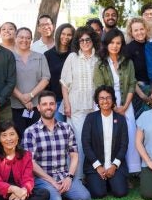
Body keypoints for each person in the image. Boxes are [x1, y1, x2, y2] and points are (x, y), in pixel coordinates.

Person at [25, 92, 92, 200]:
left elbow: (74, 155)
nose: (48, 107)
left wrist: (69, 177)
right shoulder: (30, 132)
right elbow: (31, 162)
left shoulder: (66, 128)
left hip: (64, 175)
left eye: (51, 104)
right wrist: (51, 181)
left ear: (56, 106)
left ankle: (62, 191)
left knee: (85, 198)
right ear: (39, 107)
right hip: (43, 178)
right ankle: (52, 193)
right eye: (44, 104)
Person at [93, 29, 142, 173]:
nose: (115, 46)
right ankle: (109, 169)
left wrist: (125, 106)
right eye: (112, 42)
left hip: (126, 102)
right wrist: (112, 108)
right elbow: (99, 87)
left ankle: (130, 171)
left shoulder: (128, 62)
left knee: (130, 135)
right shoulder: (100, 64)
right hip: (105, 104)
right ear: (106, 44)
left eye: (118, 43)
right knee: (110, 137)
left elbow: (132, 84)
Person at [61, 26, 100, 170]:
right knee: (78, 141)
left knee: (95, 141)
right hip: (76, 106)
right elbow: (64, 84)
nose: (85, 42)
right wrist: (66, 104)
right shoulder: (72, 57)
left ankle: (94, 174)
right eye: (81, 40)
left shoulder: (99, 58)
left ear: (93, 40)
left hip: (95, 106)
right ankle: (77, 175)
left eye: (87, 39)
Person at [82, 86, 130, 199]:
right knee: (98, 193)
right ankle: (102, 181)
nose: (105, 101)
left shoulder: (120, 119)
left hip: (115, 165)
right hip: (95, 166)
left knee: (120, 192)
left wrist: (114, 165)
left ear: (113, 99)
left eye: (108, 97)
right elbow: (86, 144)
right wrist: (98, 166)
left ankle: (111, 180)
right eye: (102, 98)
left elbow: (124, 145)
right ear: (97, 101)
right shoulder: (90, 118)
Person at [11, 27, 50, 137]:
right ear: (15, 38)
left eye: (28, 38)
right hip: (15, 106)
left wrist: (30, 95)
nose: (25, 40)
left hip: (36, 105)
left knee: (36, 136)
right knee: (18, 137)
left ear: (31, 40)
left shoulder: (40, 57)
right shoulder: (9, 57)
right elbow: (7, 80)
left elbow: (46, 78)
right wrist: (22, 98)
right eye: (21, 37)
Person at [123, 17, 152, 116]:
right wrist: (143, 96)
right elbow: (129, 76)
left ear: (146, 29)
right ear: (131, 32)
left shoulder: (151, 46)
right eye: (136, 30)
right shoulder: (128, 49)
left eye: (141, 29)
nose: (139, 32)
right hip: (138, 92)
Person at [45, 23, 75, 119]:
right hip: (56, 100)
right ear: (58, 34)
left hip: (73, 100)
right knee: (59, 131)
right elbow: (46, 79)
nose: (66, 37)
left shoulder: (75, 55)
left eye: (69, 35)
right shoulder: (48, 55)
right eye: (63, 34)